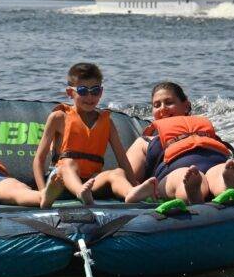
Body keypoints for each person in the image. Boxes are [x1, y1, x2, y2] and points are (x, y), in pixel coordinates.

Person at [126, 81, 234, 204]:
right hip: (177, 169)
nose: (162, 108)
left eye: (169, 102)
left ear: (186, 105)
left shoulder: (202, 131)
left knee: (222, 171)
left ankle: (226, 187)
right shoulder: (145, 141)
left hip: (215, 163)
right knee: (184, 176)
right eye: (156, 105)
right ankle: (196, 192)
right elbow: (129, 180)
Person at [33, 62, 157, 206]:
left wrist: (134, 183)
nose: (90, 97)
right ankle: (80, 192)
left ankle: (130, 193)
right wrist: (42, 191)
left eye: (95, 91)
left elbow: (122, 160)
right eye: (83, 91)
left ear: (101, 92)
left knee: (116, 173)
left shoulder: (107, 123)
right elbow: (39, 159)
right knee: (67, 165)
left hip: (91, 182)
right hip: (59, 185)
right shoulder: (59, 117)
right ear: (70, 93)